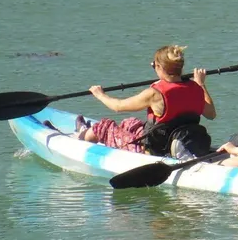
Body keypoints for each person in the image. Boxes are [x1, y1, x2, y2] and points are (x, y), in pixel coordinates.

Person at [74, 45, 217, 158]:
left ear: (160, 67)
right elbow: (211, 114)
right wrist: (201, 83)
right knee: (130, 122)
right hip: (181, 140)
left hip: (155, 151)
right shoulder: (196, 88)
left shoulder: (154, 94)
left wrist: (100, 95)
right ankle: (85, 131)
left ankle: (79, 138)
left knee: (104, 126)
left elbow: (118, 106)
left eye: (154, 65)